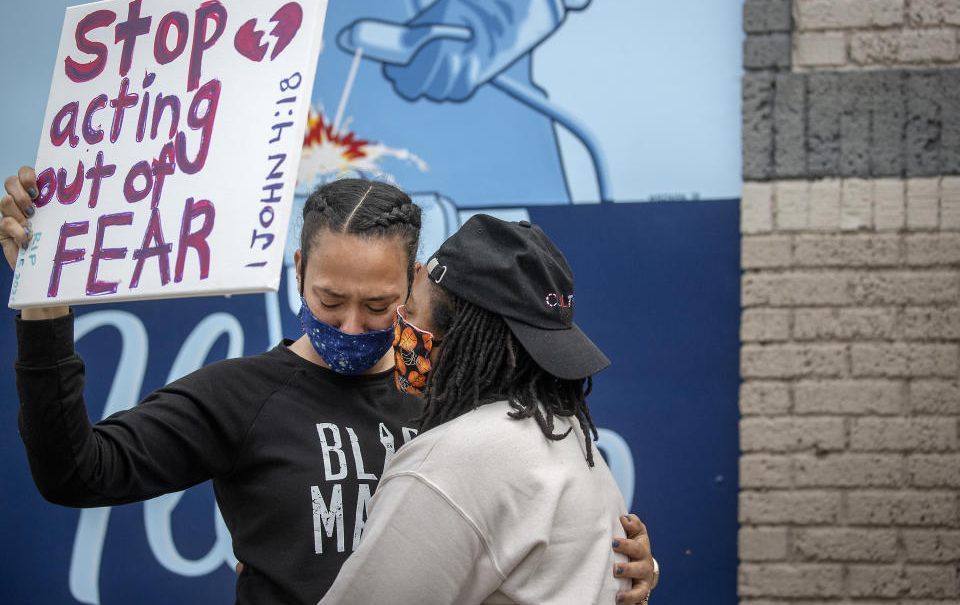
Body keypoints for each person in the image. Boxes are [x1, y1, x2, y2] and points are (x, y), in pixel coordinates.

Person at [1, 167, 657, 604]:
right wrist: (42, 307)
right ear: (297, 272)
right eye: (329, 298)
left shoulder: (458, 406)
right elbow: (74, 473)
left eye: (378, 305)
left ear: (419, 286)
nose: (352, 323)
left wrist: (615, 570)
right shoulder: (241, 395)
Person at [320, 214, 657, 604]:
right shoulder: (571, 437)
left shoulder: (451, 461)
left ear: (463, 337)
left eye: (410, 313)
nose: (401, 327)